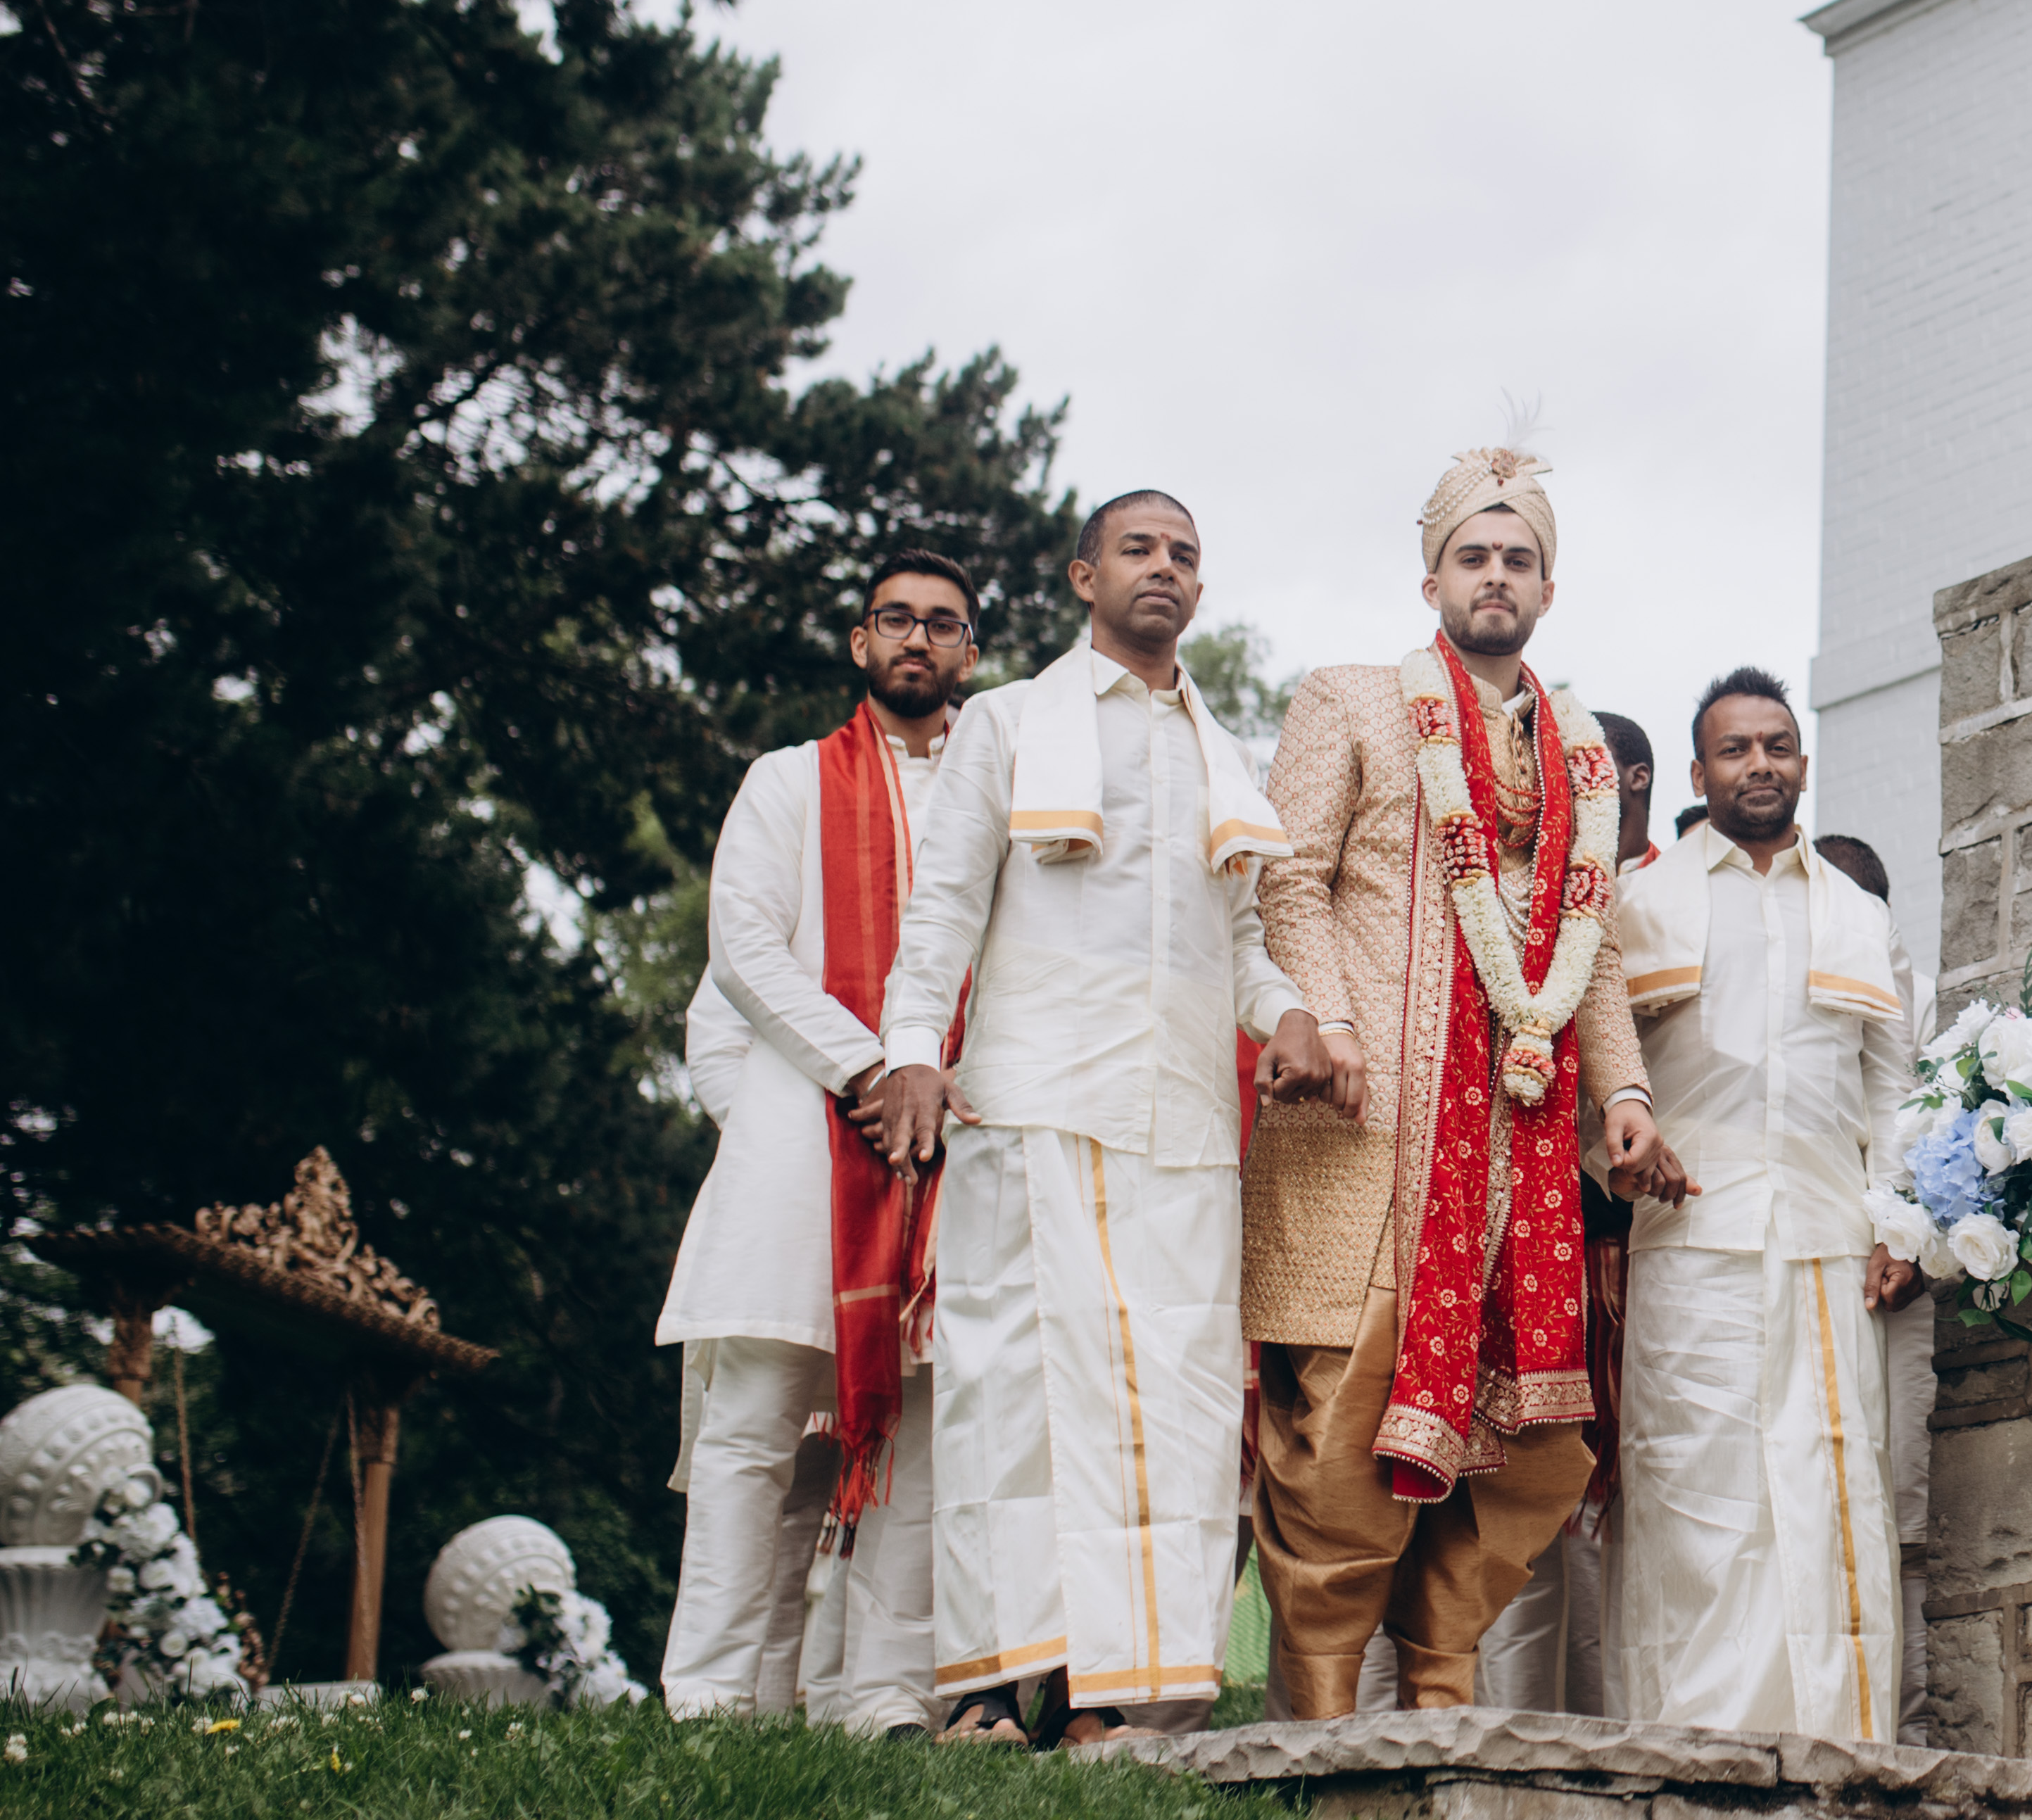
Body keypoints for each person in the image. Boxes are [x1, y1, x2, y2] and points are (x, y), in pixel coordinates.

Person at [870, 490, 1329, 1748]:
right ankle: (987, 1690)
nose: (1163, 568)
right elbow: (941, 906)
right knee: (1008, 1398)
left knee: (1171, 1412)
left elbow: (1244, 942)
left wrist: (1290, 1016)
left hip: (1182, 1129)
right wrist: (911, 1052)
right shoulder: (1010, 722)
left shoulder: (1222, 757)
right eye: (1138, 548)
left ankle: (1107, 1699)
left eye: (1185, 553)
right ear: (1084, 577)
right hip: (1033, 1107)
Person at [1239, 449, 1664, 1717]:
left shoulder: (1581, 754)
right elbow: (1287, 876)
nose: (1495, 576)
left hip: (1516, 1148)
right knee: (1340, 1418)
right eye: (1473, 556)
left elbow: (1591, 947)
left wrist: (1625, 1097)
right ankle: (1317, 1723)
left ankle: (1439, 1704)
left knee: (1523, 1445)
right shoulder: (1353, 701)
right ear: (1431, 579)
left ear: (1547, 589)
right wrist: (1329, 1018)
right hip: (1372, 1126)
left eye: (1517, 559)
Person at [652, 550, 978, 1731]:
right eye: (895, 618)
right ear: (859, 641)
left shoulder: (995, 791)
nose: (916, 639)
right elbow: (742, 950)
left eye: (941, 624)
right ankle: (708, 1693)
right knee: (751, 1434)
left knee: (922, 1436)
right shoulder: (789, 781)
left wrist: (940, 1091)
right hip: (802, 1145)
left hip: (961, 1146)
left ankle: (882, 1697)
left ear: (971, 652)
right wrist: (869, 1075)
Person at [1603, 668, 1919, 1740]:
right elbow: (1596, 1074)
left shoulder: (1859, 916)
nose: (1759, 765)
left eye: (1776, 746)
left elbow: (1894, 1088)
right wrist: (1617, 1160)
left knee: (1828, 1489)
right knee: (1698, 1489)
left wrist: (1897, 1222)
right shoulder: (1640, 906)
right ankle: (1691, 1744)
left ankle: (1834, 1741)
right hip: (1693, 1241)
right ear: (1699, 774)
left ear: (1803, 764)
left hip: (1829, 1242)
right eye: (1735, 750)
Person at [1479, 705, 1656, 1719]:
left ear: (1625, 783)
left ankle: (1590, 1718)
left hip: (1612, 1245)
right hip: (1503, 1221)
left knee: (1594, 1492)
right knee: (1507, 1482)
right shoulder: (1493, 891)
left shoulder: (1652, 899)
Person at [1803, 828, 1934, 1738]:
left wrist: (1910, 1240)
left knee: (1900, 1516)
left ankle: (1905, 1728)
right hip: (1809, 1267)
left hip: (1898, 1295)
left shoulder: (1923, 1008)